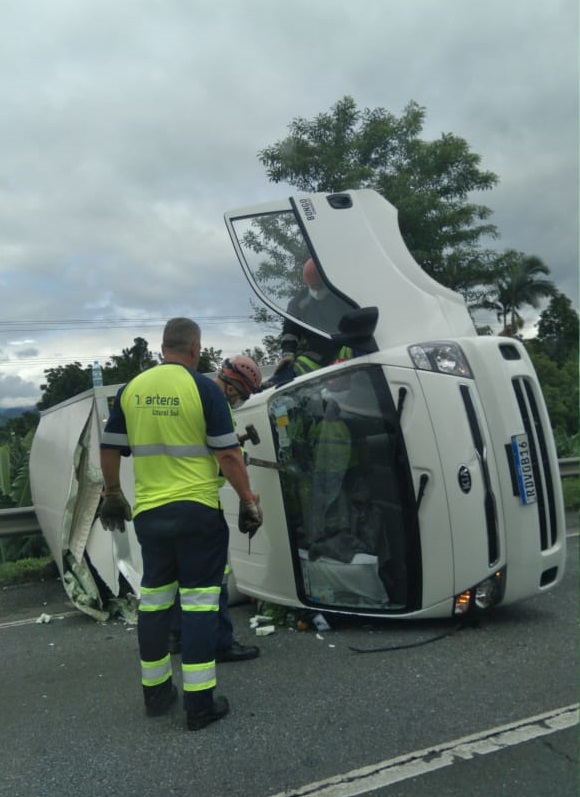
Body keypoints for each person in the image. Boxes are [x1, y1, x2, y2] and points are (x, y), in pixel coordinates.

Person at [99, 318, 263, 731]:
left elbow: (110, 447)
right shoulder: (204, 389)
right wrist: (248, 501)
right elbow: (227, 456)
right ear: (195, 348)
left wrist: (113, 492)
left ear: (162, 347)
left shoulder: (131, 390)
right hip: (197, 514)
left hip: (151, 517)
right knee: (200, 605)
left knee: (154, 604)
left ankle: (156, 695)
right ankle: (200, 706)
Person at [168, 354, 263, 662]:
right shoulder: (217, 403)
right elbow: (224, 461)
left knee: (177, 577)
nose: (239, 401)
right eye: (243, 394)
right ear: (235, 386)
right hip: (200, 504)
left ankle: (177, 637)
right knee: (213, 579)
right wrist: (247, 496)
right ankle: (221, 643)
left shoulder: (189, 398)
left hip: (163, 502)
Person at [269, 258, 353, 385]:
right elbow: (290, 331)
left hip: (346, 347)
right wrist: (288, 353)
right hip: (317, 356)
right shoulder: (298, 304)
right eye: (312, 286)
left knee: (361, 351)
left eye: (319, 286)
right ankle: (269, 386)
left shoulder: (342, 295)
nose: (317, 291)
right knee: (290, 372)